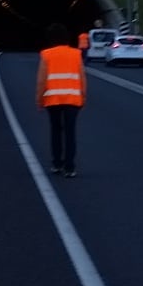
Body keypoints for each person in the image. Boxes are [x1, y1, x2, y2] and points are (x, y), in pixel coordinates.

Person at [36, 22, 86, 177]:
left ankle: (57, 164)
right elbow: (82, 77)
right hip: (72, 99)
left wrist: (39, 100)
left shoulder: (46, 54)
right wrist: (83, 96)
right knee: (70, 132)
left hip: (53, 99)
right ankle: (70, 167)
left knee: (56, 131)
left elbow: (42, 80)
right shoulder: (76, 54)